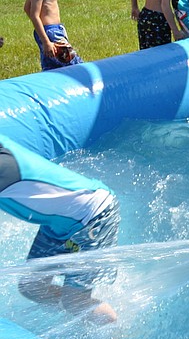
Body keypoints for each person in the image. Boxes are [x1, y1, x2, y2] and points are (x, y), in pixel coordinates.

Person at [0, 136, 120, 323]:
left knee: (74, 302)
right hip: (59, 222)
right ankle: (84, 314)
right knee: (32, 287)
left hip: (92, 215)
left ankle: (115, 335)